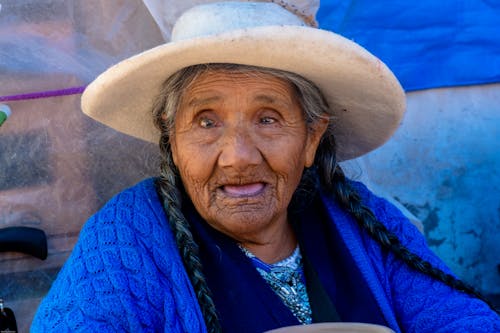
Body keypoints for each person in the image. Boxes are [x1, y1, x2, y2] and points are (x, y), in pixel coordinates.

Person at [31, 1, 499, 332]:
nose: (238, 155)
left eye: (268, 119)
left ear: (312, 138)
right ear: (171, 138)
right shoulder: (126, 239)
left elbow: (461, 319)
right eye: (206, 120)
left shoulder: (368, 221)